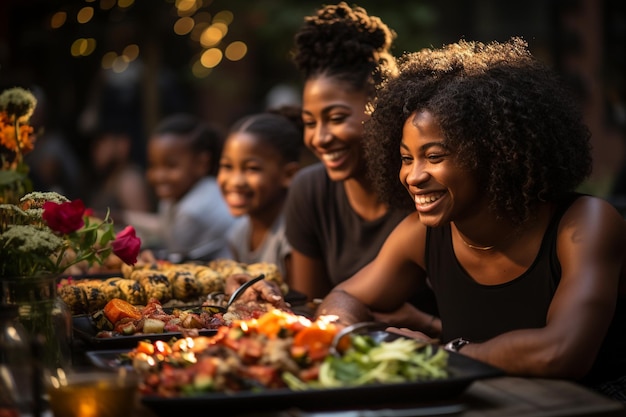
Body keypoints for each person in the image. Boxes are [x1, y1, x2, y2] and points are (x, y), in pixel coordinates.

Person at [312, 37, 626, 400]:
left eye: (434, 155)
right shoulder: (421, 234)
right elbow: (345, 295)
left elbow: (562, 352)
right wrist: (343, 336)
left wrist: (441, 353)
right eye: (406, 157)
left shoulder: (585, 223)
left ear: (495, 155)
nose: (413, 176)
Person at [283, 2, 438, 330]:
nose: (320, 138)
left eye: (336, 118)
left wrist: (426, 324)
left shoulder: (426, 186)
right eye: (310, 122)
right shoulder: (310, 190)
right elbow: (309, 308)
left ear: (382, 109)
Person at [129, 113, 238, 262]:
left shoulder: (193, 212)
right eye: (153, 165)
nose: (159, 175)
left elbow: (175, 258)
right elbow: (163, 226)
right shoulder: (179, 195)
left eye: (171, 166)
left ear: (202, 163)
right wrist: (121, 217)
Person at [217, 107, 303, 284]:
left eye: (252, 168)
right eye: (227, 166)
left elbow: (304, 301)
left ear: (288, 175)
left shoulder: (293, 235)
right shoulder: (238, 234)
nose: (235, 181)